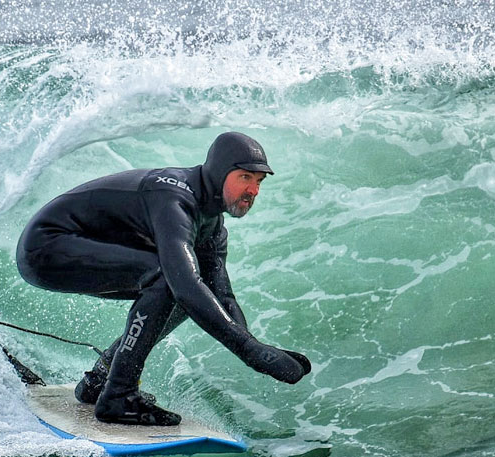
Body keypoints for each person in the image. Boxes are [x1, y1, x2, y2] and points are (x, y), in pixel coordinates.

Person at [16, 132, 311, 426]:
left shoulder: (213, 226)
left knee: (195, 291)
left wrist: (257, 348)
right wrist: (250, 352)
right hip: (46, 247)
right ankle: (119, 395)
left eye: (259, 182)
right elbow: (183, 284)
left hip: (77, 249)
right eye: (245, 177)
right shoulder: (175, 198)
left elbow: (221, 297)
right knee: (171, 277)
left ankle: (100, 381)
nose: (253, 191)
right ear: (220, 172)